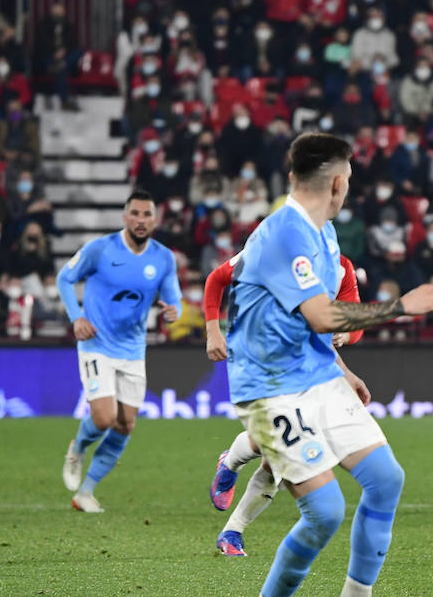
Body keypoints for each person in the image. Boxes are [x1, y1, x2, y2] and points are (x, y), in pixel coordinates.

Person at [224, 133, 433, 597]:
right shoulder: (284, 234)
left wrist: (341, 368)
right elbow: (323, 314)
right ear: (339, 182)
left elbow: (306, 322)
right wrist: (400, 307)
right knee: (324, 511)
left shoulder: (323, 235)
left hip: (317, 376)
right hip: (271, 390)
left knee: (385, 478)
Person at [201, 246, 365, 557]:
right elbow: (216, 279)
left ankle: (232, 517)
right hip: (259, 359)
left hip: (306, 368)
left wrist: (345, 335)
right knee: (281, 447)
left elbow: (353, 324)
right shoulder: (273, 246)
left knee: (277, 451)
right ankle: (233, 520)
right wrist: (213, 331)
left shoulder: (342, 266)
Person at [57, 191, 181, 512]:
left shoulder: (163, 258)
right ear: (125, 217)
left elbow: (173, 296)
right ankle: (78, 448)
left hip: (133, 348)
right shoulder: (100, 249)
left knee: (126, 424)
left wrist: (174, 310)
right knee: (104, 417)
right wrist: (77, 318)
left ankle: (85, 493)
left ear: (155, 220)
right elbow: (64, 278)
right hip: (96, 343)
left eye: (147, 215)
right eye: (135, 214)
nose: (141, 220)